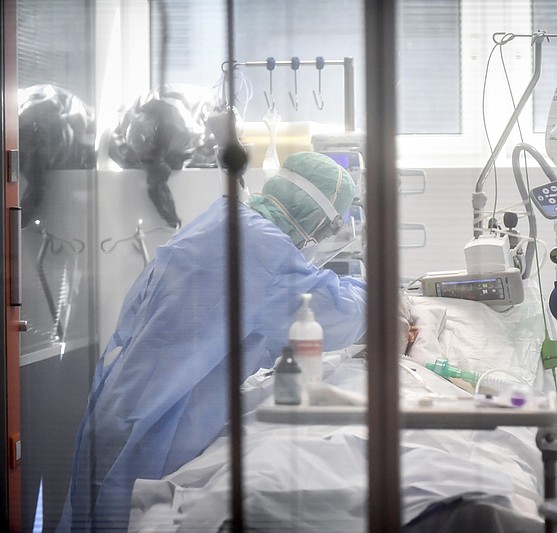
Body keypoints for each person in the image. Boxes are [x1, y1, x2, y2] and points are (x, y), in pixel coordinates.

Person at [58, 151, 368, 531]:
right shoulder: (263, 252)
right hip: (160, 427)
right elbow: (334, 314)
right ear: (314, 218)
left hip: (121, 408)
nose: (319, 241)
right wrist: (383, 296)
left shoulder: (223, 221)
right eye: (323, 230)